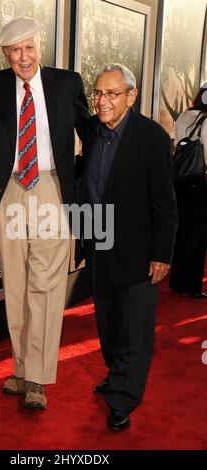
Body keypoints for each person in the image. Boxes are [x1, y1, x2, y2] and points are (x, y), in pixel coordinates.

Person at [0, 17, 89, 410]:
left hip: (50, 188)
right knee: (17, 286)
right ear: (5, 55)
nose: (24, 57)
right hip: (8, 192)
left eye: (29, 48)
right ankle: (22, 369)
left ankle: (39, 380)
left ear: (39, 46)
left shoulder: (66, 83)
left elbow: (90, 134)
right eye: (15, 51)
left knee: (45, 284)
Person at [79, 64, 177, 430]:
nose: (102, 101)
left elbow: (165, 202)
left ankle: (123, 399)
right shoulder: (91, 129)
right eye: (98, 93)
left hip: (139, 250)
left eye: (111, 94)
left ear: (131, 97)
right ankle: (117, 374)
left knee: (135, 329)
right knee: (108, 323)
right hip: (99, 243)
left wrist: (162, 254)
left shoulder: (151, 137)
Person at [169, 84, 207, 298]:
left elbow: (178, 142)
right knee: (197, 234)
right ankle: (190, 285)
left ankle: (177, 280)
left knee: (182, 230)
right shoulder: (206, 120)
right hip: (198, 182)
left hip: (180, 180)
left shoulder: (184, 116)